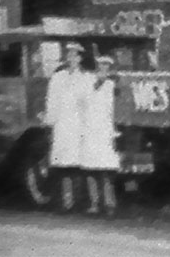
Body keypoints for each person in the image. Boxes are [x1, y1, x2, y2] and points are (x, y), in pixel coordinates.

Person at [44, 41, 93, 211]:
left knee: (78, 165)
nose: (71, 58)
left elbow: (89, 103)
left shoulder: (86, 78)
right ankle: (67, 202)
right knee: (63, 166)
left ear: (80, 58)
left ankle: (80, 201)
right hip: (62, 125)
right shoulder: (58, 77)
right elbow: (52, 101)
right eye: (69, 55)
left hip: (79, 125)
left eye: (74, 55)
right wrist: (50, 122)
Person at [82, 54, 120, 217]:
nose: (103, 68)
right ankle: (94, 203)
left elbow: (112, 110)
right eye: (101, 65)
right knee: (91, 170)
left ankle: (109, 204)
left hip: (105, 131)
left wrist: (113, 132)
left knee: (105, 171)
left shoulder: (111, 85)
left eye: (106, 66)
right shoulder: (89, 83)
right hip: (91, 130)